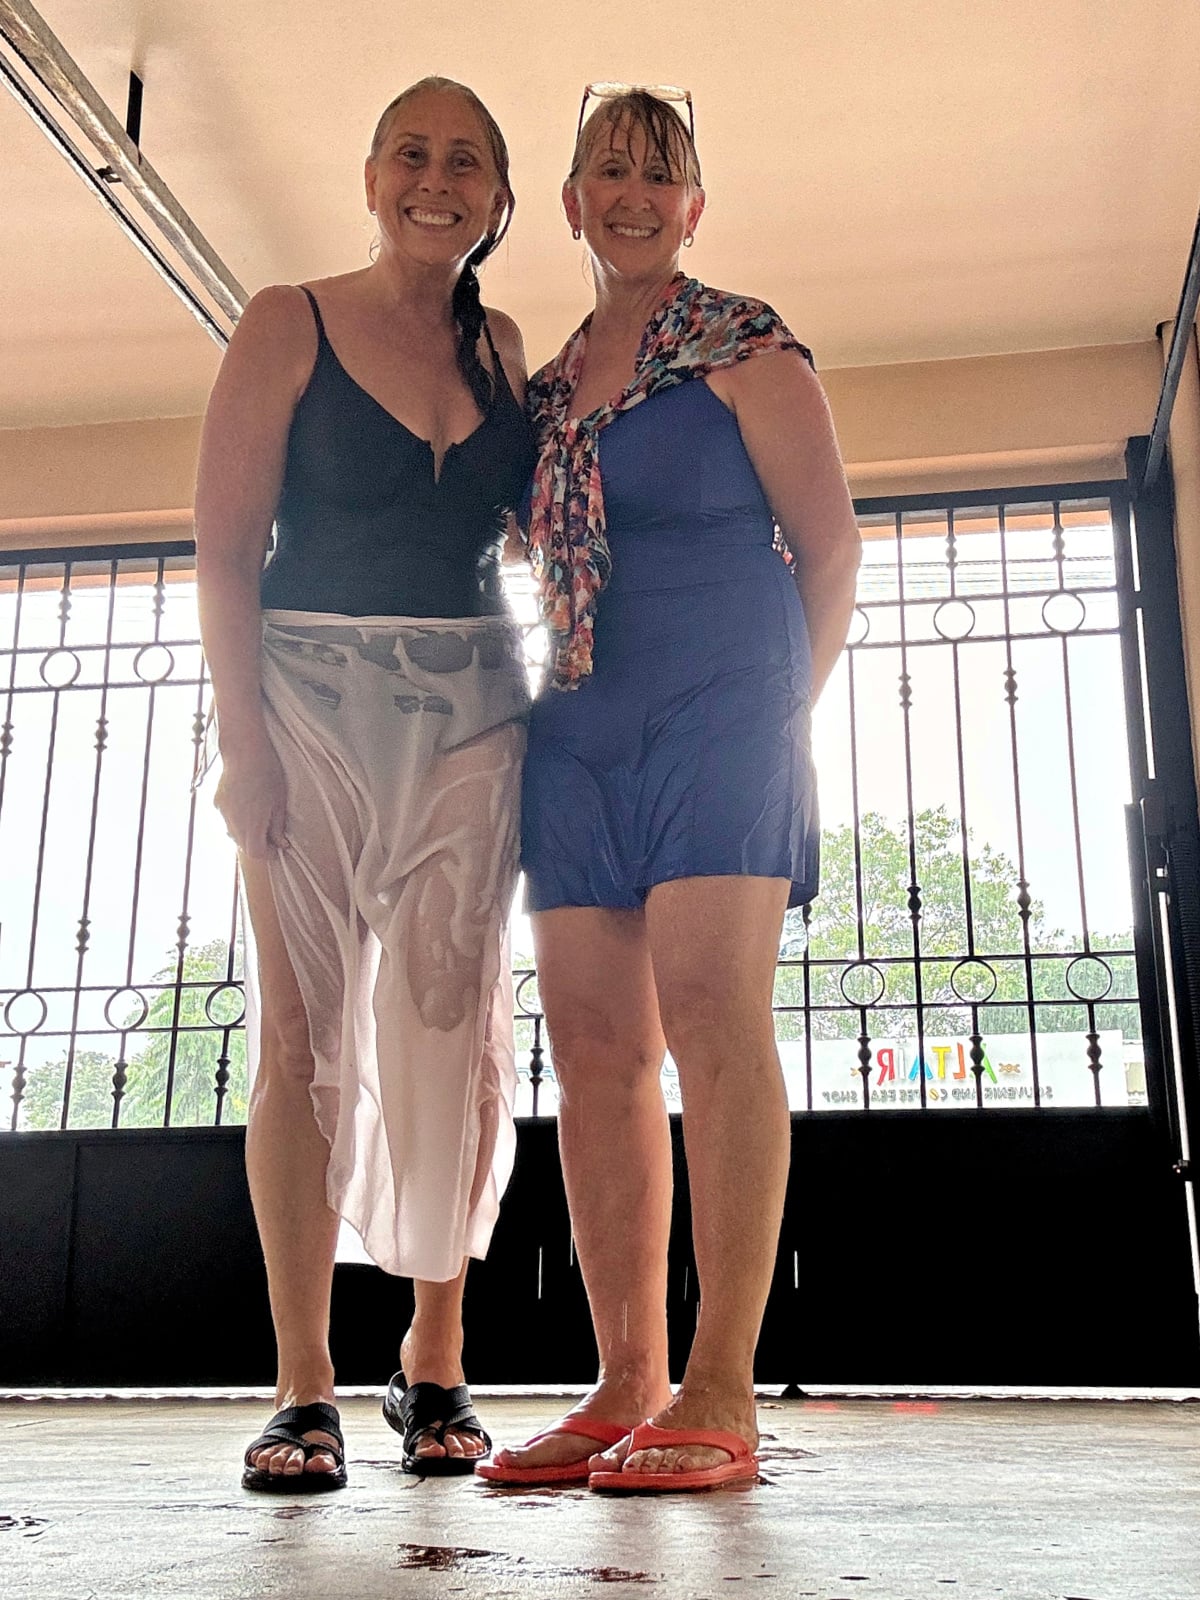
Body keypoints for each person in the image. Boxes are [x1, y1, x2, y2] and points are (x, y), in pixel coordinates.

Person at [479, 87, 860, 1494]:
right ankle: (624, 1379)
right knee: (590, 1048)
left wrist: (769, 719)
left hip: (723, 707)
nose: (634, 193)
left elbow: (829, 554)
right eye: (607, 171)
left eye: (662, 173)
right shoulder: (546, 387)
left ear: (693, 207)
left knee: (712, 1017)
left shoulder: (745, 346)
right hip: (577, 721)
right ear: (570, 203)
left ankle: (721, 1390)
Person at [193, 76, 534, 1491]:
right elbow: (222, 547)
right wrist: (243, 744)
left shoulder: (510, 347)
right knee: (301, 1034)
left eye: (467, 160)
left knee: (451, 1031)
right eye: (413, 151)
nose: (436, 176)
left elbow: (555, 526)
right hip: (306, 702)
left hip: (476, 712)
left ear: (502, 201)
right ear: (373, 175)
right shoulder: (288, 319)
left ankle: (435, 1361)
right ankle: (303, 1384)